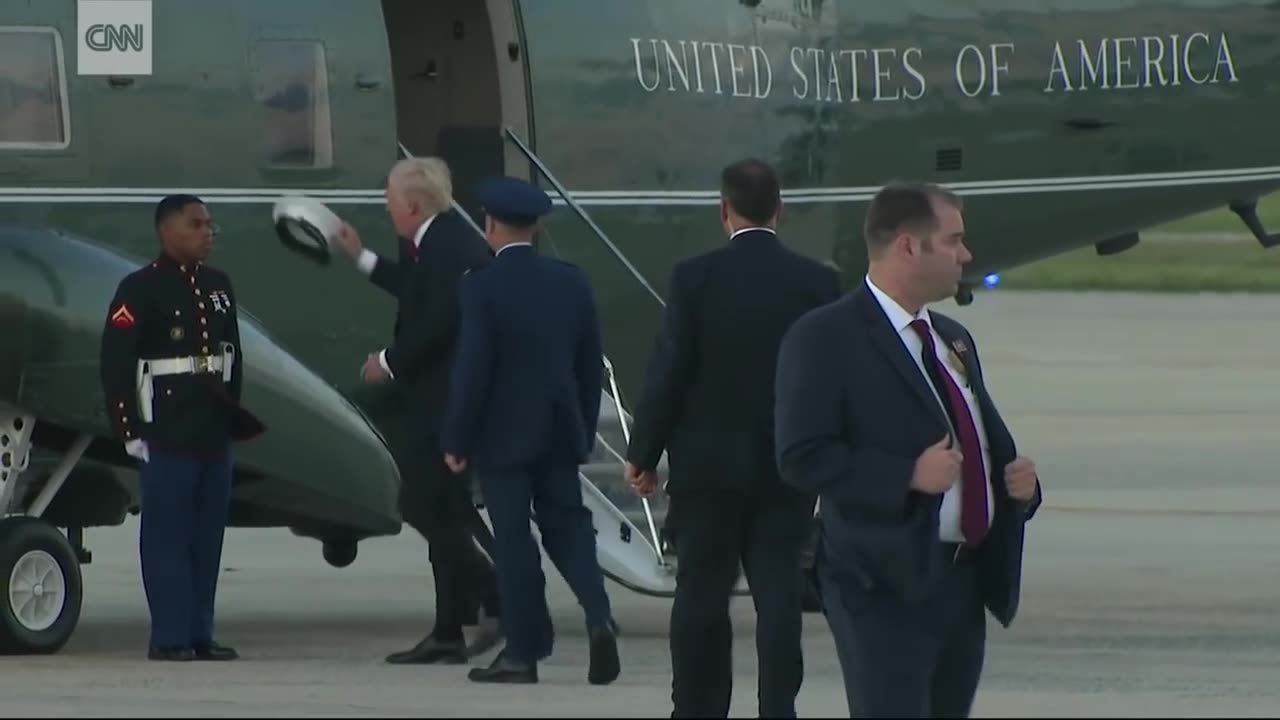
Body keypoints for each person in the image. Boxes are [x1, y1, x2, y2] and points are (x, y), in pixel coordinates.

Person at [773, 181, 1044, 717]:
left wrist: (1019, 489)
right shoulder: (826, 337)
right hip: (880, 584)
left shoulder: (952, 339)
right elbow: (800, 456)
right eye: (954, 240)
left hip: (961, 582)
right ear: (908, 247)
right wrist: (905, 476)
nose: (966, 254)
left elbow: (979, 439)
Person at [621, 158, 841, 718]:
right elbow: (827, 379)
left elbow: (669, 371)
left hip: (706, 470)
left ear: (724, 210)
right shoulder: (817, 281)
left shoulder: (694, 277)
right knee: (779, 595)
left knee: (701, 594)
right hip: (784, 467)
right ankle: (777, 708)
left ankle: (698, 707)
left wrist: (643, 453)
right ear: (779, 210)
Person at [440, 176, 621, 686]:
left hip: (504, 440)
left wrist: (457, 439)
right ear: (537, 227)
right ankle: (597, 613)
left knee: (516, 543)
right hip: (560, 433)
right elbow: (590, 369)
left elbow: (473, 369)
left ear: (490, 224)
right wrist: (581, 430)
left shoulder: (480, 287)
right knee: (571, 530)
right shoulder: (572, 281)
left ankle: (524, 650)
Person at [334, 157, 501, 664]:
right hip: (437, 397)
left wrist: (388, 361)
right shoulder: (437, 240)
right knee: (446, 511)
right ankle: (450, 629)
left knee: (422, 504)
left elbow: (442, 318)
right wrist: (361, 257)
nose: (385, 203)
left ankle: (500, 595)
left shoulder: (449, 245)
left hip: (446, 401)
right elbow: (417, 289)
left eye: (389, 195)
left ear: (412, 204)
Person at [99, 194, 266, 661]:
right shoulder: (139, 288)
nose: (207, 232)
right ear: (167, 231)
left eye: (210, 224)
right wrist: (128, 427)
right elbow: (116, 363)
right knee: (167, 537)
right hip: (167, 428)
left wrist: (232, 415)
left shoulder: (218, 285)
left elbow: (232, 357)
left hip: (212, 428)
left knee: (206, 536)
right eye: (196, 225)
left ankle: (199, 632)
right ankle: (170, 636)